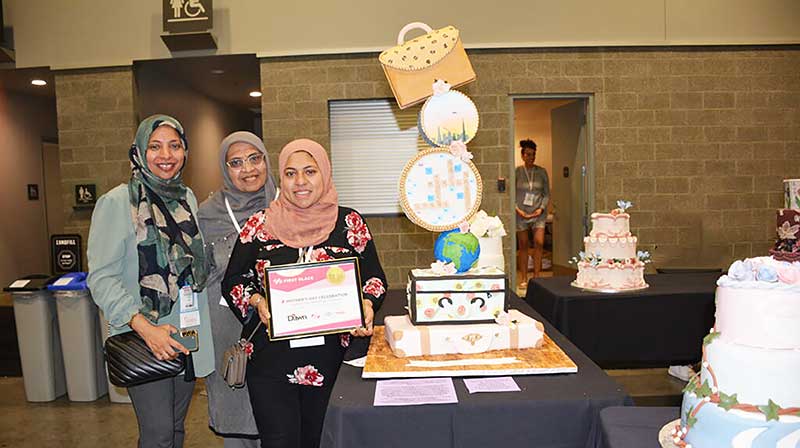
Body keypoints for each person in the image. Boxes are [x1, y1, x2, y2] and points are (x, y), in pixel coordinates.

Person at [221, 138, 387, 448]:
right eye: (290, 173)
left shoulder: (349, 222)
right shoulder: (259, 225)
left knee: (325, 439)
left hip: (335, 360)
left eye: (310, 171)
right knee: (279, 441)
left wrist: (366, 303)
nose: (300, 182)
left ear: (325, 173)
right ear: (280, 178)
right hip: (271, 361)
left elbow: (375, 277)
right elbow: (233, 281)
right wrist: (257, 301)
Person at [87, 114, 215, 448]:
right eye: (155, 146)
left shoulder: (186, 197)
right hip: (145, 335)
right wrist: (147, 330)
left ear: (185, 151)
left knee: (175, 429)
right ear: (139, 152)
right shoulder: (117, 202)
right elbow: (101, 278)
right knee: (157, 434)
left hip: (186, 333)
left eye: (174, 146)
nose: (166, 155)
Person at [198, 131, 277, 447]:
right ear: (224, 168)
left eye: (255, 158)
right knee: (237, 415)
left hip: (280, 327)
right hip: (229, 329)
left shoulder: (287, 204)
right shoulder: (207, 215)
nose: (248, 169)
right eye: (236, 162)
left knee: (279, 415)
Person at [515, 138, 550, 288]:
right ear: (523, 155)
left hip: (538, 214)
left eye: (533, 154)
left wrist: (541, 208)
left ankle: (536, 277)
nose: (531, 157)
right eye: (528, 154)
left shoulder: (541, 172)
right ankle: (523, 278)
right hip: (520, 213)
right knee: (523, 244)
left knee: (539, 242)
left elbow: (546, 193)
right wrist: (518, 209)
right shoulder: (517, 171)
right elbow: (510, 193)